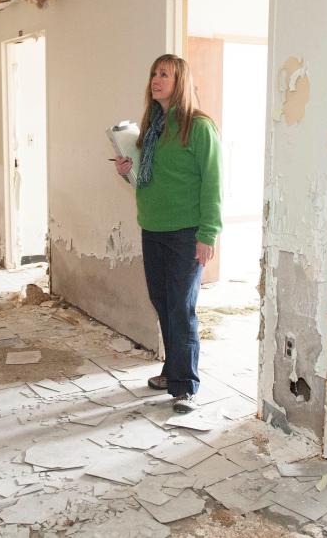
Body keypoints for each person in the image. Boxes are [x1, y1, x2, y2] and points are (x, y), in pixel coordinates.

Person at [115, 54, 222, 413]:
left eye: (164, 74)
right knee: (162, 303)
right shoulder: (153, 128)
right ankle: (171, 369)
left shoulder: (199, 127)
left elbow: (213, 184)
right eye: (153, 74)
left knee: (181, 307)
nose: (156, 80)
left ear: (180, 82)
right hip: (153, 228)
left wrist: (208, 234)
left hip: (186, 233)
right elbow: (148, 184)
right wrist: (127, 172)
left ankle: (185, 384)